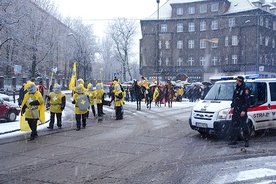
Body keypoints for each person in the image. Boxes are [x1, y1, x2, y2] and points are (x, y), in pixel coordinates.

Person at [228, 76, 251, 147]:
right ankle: (234, 140)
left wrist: (244, 110)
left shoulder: (245, 89)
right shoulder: (237, 88)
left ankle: (246, 141)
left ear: (239, 81)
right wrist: (232, 107)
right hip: (236, 110)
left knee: (244, 127)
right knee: (234, 126)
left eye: (237, 80)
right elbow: (234, 98)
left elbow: (247, 101)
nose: (236, 81)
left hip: (242, 111)